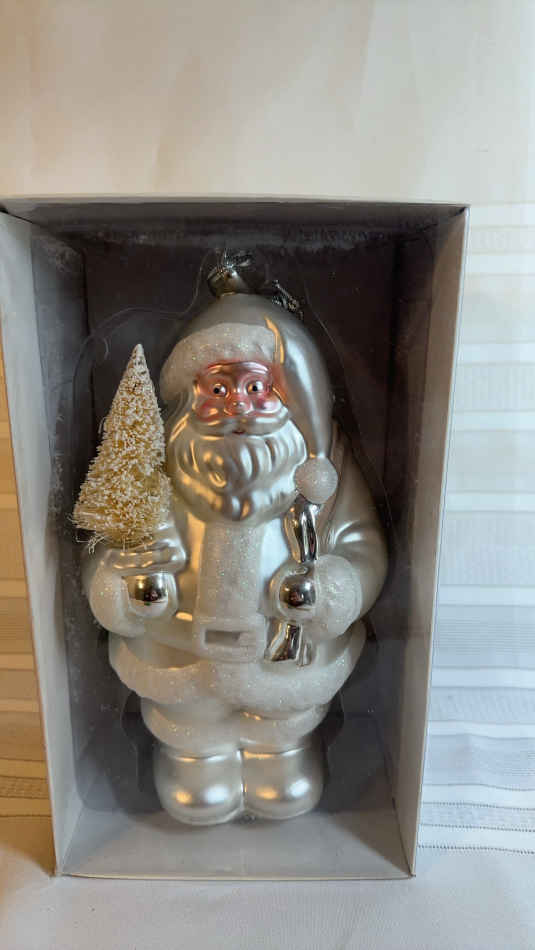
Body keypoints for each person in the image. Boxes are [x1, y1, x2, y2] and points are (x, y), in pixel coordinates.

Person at [83, 262, 387, 824]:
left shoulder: (321, 473)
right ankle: (193, 759)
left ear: (286, 393)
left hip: (284, 662)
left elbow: (360, 541)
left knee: (284, 741)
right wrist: (123, 589)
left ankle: (282, 755)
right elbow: (113, 539)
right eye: (218, 389)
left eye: (255, 388)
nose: (238, 406)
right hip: (178, 655)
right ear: (190, 394)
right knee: (191, 747)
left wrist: (333, 589)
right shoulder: (157, 464)